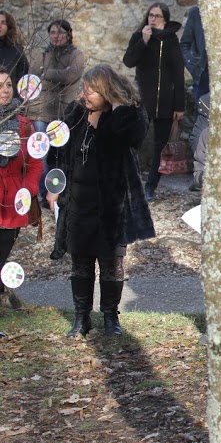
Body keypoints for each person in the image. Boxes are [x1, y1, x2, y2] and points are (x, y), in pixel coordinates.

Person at [48, 64, 154, 337]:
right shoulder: (76, 114)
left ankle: (110, 318)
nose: (85, 94)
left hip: (111, 205)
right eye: (84, 88)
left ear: (108, 92)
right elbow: (59, 154)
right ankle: (81, 318)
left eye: (92, 90)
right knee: (80, 263)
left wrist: (110, 114)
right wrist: (55, 186)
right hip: (79, 202)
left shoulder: (125, 115)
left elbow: (135, 136)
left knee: (111, 265)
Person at [122, 2, 185, 200]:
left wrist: (179, 106)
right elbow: (128, 61)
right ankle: (131, 182)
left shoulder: (172, 41)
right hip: (143, 99)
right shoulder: (139, 36)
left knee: (160, 145)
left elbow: (178, 74)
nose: (153, 19)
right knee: (134, 141)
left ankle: (150, 187)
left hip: (166, 102)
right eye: (151, 15)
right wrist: (144, 41)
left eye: (158, 16)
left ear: (165, 19)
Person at [0, 67, 43, 314]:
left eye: (8, 85)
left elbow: (35, 162)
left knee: (3, 252)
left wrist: (28, 189)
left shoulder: (24, 126)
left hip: (14, 198)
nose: (5, 91)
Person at [37, 19, 86, 123]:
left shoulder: (76, 55)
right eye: (52, 32)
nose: (56, 36)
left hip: (65, 110)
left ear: (68, 35)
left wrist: (45, 72)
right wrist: (61, 73)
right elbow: (33, 78)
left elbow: (70, 76)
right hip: (43, 111)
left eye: (60, 32)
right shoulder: (43, 55)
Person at [179, 6, 209, 103]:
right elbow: (184, 44)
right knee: (202, 114)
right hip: (203, 73)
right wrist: (193, 66)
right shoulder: (196, 13)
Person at [0, 10, 29, 85]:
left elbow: (23, 77)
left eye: (3, 23)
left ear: (8, 26)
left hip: (10, 94)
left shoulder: (17, 51)